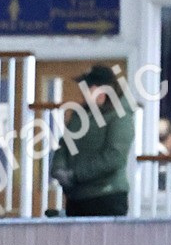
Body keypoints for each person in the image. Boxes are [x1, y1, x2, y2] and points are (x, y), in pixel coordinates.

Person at [49, 64, 135, 217]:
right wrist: (59, 167)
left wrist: (75, 175)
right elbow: (65, 145)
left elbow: (115, 157)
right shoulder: (79, 115)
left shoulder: (120, 116)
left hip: (107, 197)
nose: (84, 92)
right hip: (77, 197)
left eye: (89, 87)